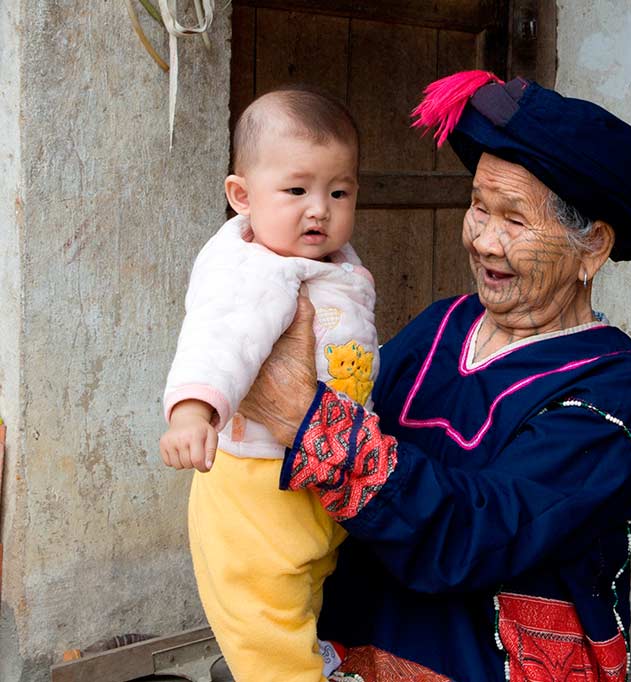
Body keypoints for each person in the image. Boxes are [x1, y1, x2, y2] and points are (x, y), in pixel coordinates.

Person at [238, 71, 631, 682]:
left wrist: (306, 420)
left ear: (593, 247)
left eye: (516, 221)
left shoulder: (614, 388)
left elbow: (480, 531)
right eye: (478, 206)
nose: (485, 241)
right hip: (347, 644)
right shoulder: (441, 324)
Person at [159, 87, 378, 681]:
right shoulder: (249, 269)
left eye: (339, 192)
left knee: (306, 586)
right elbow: (219, 339)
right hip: (255, 485)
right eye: (296, 190)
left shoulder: (332, 262)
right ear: (241, 196)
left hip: (313, 474)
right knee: (266, 612)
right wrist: (193, 411)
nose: (319, 209)